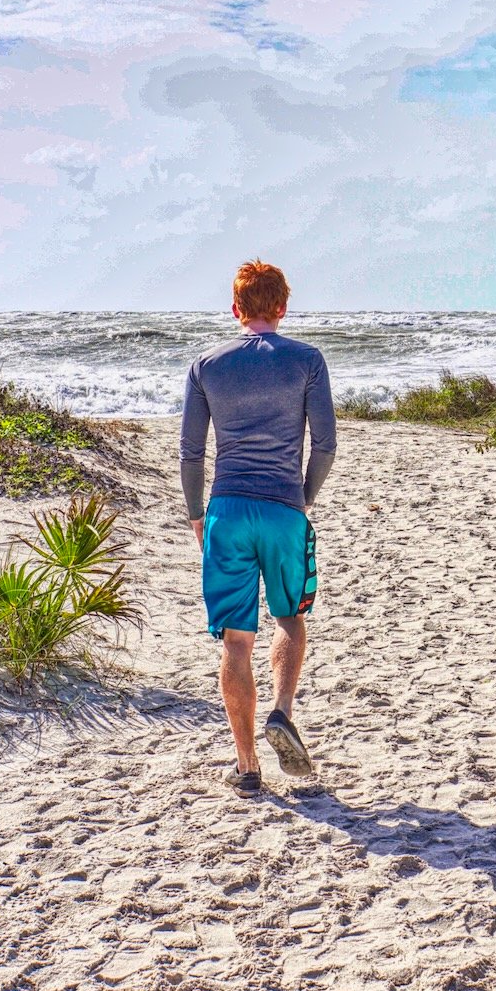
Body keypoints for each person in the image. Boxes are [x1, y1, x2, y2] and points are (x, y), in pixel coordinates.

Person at [180, 260, 336, 797]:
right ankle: (282, 713)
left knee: (235, 639)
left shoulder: (206, 364)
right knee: (290, 618)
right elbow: (326, 446)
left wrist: (196, 512)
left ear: (236, 308)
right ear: (283, 308)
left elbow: (191, 452)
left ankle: (247, 767)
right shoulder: (308, 360)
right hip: (283, 508)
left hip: (225, 509)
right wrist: (303, 498)